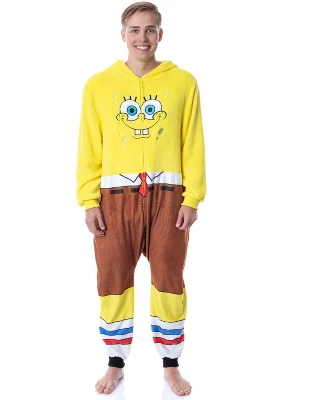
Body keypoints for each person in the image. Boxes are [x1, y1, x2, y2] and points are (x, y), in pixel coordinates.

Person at [75, 1, 206, 396]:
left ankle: (171, 365)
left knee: (169, 281)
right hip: (114, 200)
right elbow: (89, 146)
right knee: (112, 280)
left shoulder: (183, 82)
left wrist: (192, 198)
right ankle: (115, 363)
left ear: (160, 34)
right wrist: (89, 201)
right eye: (135, 30)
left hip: (169, 198)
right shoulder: (98, 85)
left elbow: (192, 143)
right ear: (123, 35)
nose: (142, 37)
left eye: (150, 29)